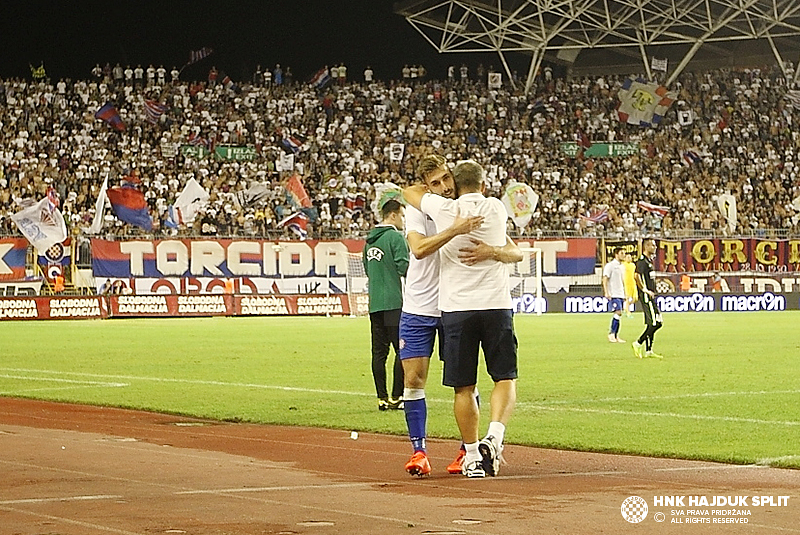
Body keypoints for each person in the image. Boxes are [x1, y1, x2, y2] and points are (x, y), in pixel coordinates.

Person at [404, 160, 522, 479]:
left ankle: (471, 455)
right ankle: (494, 439)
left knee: (462, 388)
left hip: (456, 308)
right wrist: (493, 250)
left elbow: (409, 192)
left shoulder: (443, 209)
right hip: (496, 305)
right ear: (484, 186)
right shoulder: (497, 208)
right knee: (504, 378)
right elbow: (518, 252)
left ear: (455, 183)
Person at [400, 155, 484, 476]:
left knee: (464, 380)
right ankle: (419, 452)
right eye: (436, 183)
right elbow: (419, 249)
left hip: (454, 305)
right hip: (419, 306)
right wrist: (455, 230)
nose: (445, 186)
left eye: (447, 178)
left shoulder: (464, 204)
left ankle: (467, 450)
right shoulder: (417, 211)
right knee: (414, 380)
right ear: (426, 187)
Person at [363, 199, 409, 411]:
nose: (403, 219)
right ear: (393, 215)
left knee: (378, 353)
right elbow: (403, 267)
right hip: (393, 302)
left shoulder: (369, 241)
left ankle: (381, 398)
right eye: (402, 215)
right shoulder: (395, 237)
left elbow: (367, 268)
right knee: (401, 351)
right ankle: (396, 397)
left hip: (375, 304)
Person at [632, 239, 664, 359]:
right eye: (653, 245)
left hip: (651, 295)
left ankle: (649, 350)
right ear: (646, 246)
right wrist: (645, 290)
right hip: (646, 295)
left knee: (655, 322)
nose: (655, 247)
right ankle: (638, 343)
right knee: (656, 323)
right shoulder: (641, 261)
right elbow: (636, 275)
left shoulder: (648, 261)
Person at [602, 247, 627, 343]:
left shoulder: (622, 266)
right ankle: (611, 334)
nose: (623, 255)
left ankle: (616, 336)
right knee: (618, 312)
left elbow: (622, 281)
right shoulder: (610, 265)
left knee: (619, 314)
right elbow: (605, 278)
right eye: (622, 253)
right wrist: (606, 292)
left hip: (621, 293)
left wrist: (625, 293)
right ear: (616, 254)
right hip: (614, 293)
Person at [623, 253, 637, 317]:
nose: (629, 258)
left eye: (630, 257)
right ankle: (628, 312)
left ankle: (626, 307)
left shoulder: (633, 265)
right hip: (627, 283)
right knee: (627, 298)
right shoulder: (623, 265)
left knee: (635, 298)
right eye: (627, 257)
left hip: (633, 283)